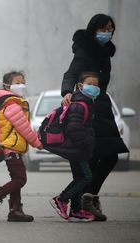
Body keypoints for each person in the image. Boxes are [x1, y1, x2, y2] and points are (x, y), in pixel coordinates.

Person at [61, 14, 127, 221]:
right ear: (93, 28)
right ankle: (82, 203)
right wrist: (67, 92)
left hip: (102, 106)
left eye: (110, 29)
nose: (107, 32)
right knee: (89, 157)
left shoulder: (105, 53)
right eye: (103, 28)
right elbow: (70, 74)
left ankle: (87, 198)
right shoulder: (85, 50)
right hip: (87, 107)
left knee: (108, 155)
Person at [0, 71, 42, 222]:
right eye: (17, 82)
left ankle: (15, 210)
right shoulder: (12, 104)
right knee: (20, 179)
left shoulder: (11, 101)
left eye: (22, 82)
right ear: (7, 85)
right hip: (11, 146)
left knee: (16, 179)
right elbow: (24, 127)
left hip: (12, 146)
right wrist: (37, 143)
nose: (21, 85)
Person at [50, 72, 100, 222]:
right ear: (80, 86)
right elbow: (74, 129)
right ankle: (61, 199)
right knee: (86, 177)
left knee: (79, 177)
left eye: (96, 85)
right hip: (77, 149)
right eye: (90, 84)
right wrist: (84, 145)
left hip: (78, 149)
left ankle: (76, 210)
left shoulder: (86, 102)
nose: (94, 87)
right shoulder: (80, 105)